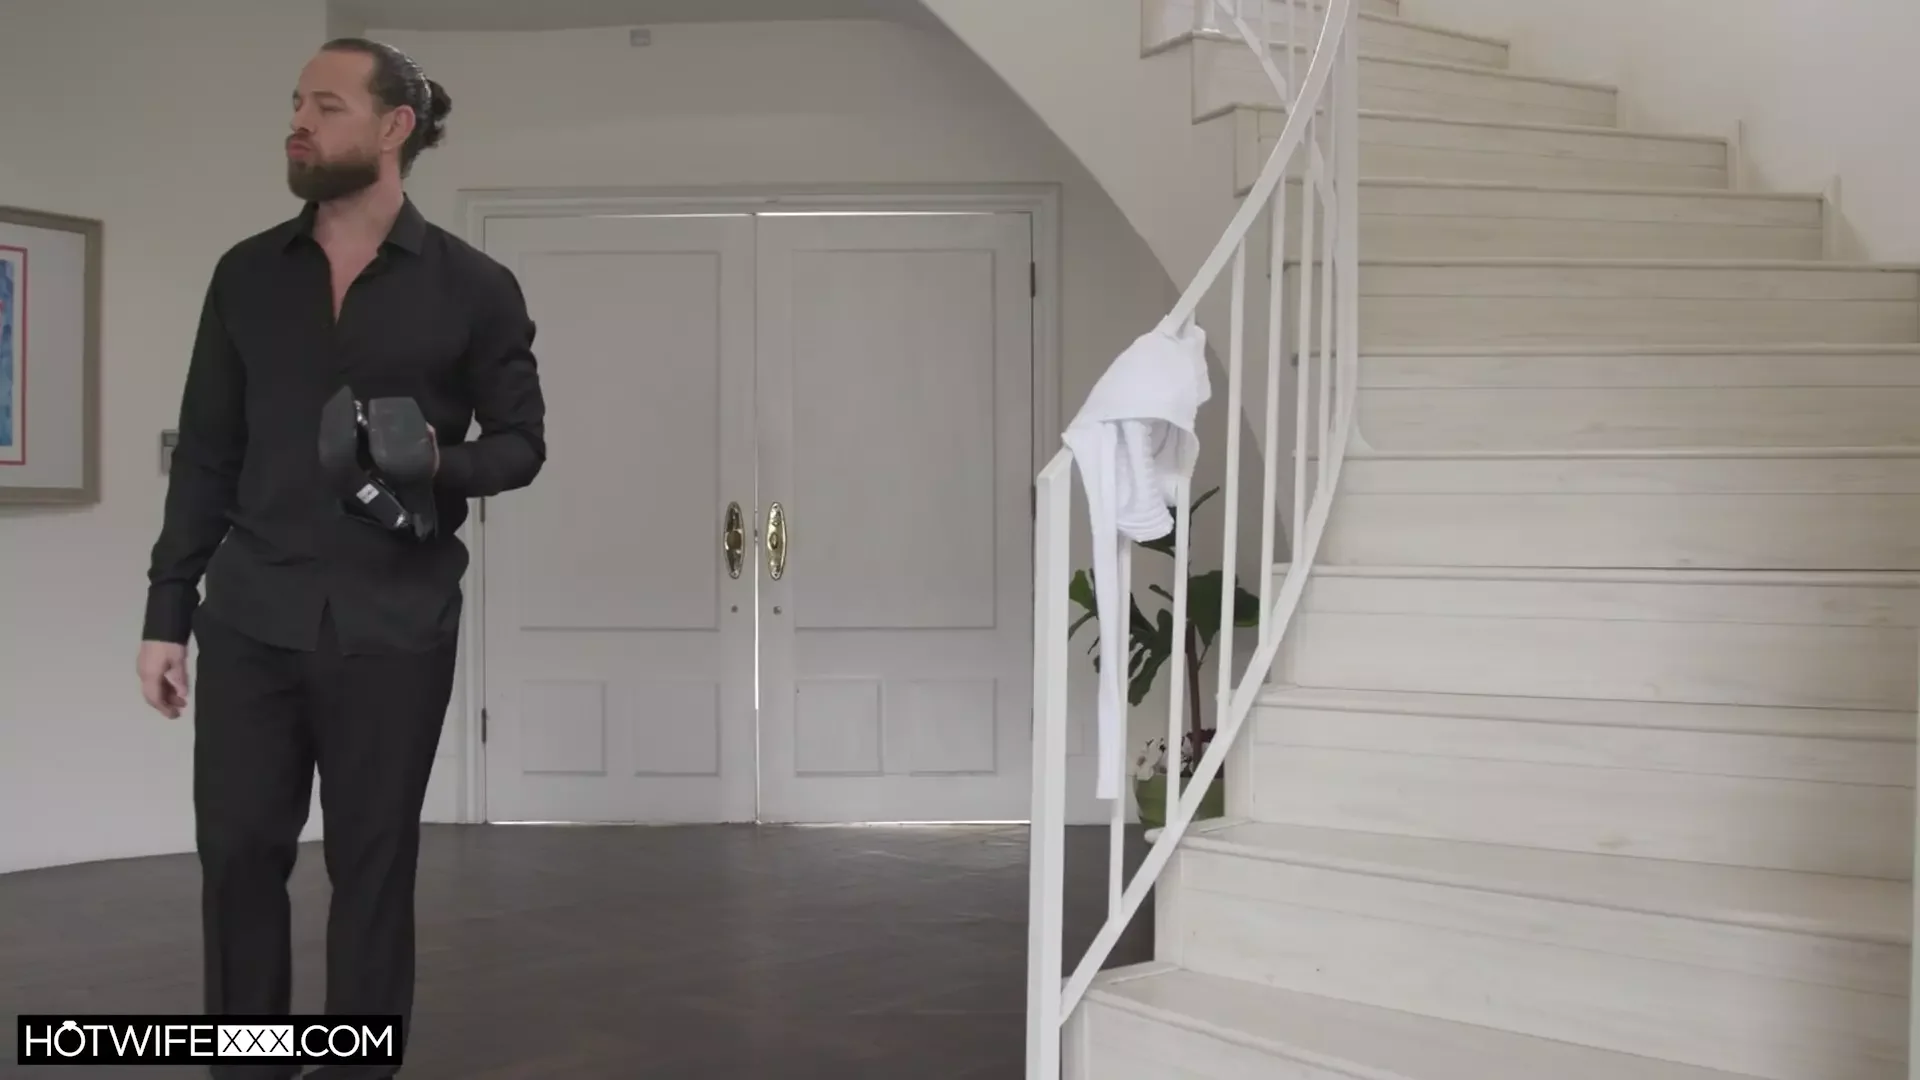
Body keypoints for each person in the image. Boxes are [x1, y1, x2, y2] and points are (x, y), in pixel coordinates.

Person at [134, 38, 545, 1079]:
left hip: (397, 622)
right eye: (296, 104)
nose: (299, 123)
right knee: (237, 856)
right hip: (251, 616)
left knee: (371, 865)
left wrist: (439, 461)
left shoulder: (475, 287)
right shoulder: (244, 276)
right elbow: (207, 453)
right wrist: (166, 612)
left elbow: (522, 445)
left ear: (394, 126)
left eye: (326, 105)